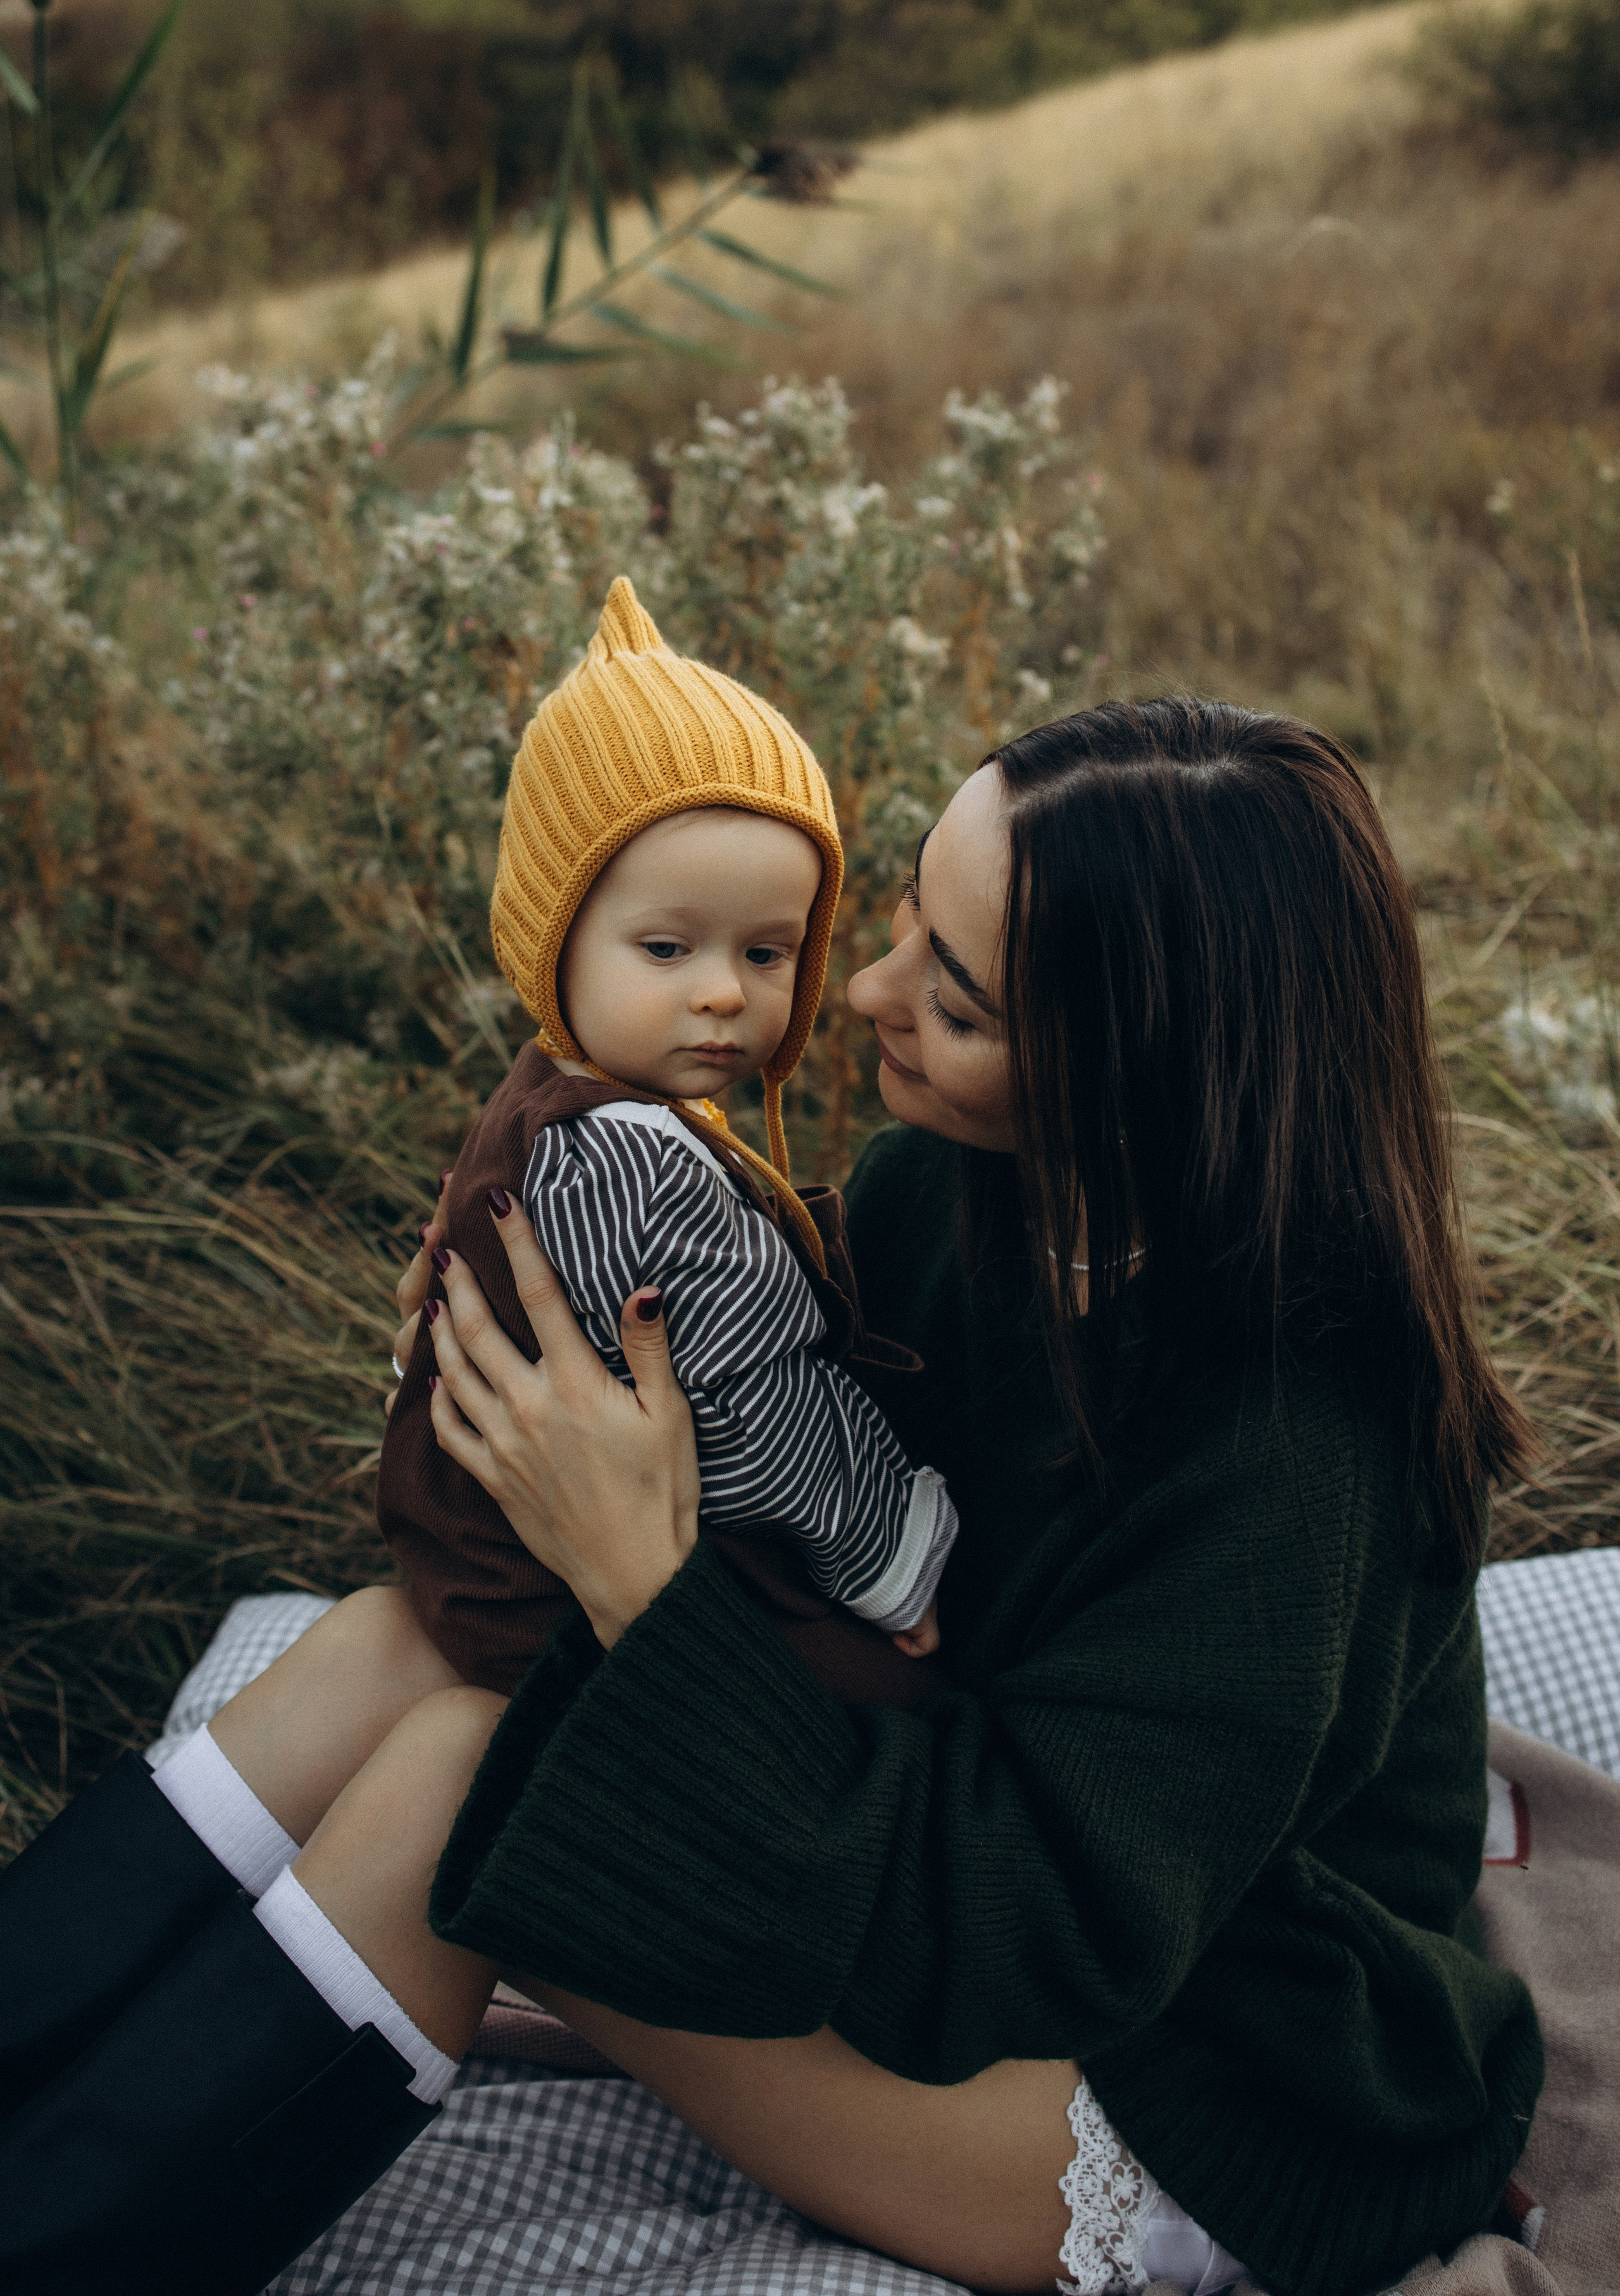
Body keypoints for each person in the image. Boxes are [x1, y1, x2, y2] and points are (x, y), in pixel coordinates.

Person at [0, 699, 1544, 2296]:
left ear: (1128, 1078)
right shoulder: (955, 1185)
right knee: (399, 1645)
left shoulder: (1295, 1446)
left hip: (1189, 2055)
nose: (861, 991)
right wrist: (548, 1363)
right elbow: (800, 1467)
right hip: (935, 1810)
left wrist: (641, 1590)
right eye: (898, 911)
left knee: (481, 1775)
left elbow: (1012, 1932)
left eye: (951, 995)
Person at [379, 574, 957, 1694]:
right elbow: (755, 1409)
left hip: (499, 1572)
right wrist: (897, 1560)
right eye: (666, 949)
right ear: (554, 939)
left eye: (766, 951)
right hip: (563, 1600)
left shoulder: (567, 1095)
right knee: (909, 1712)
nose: (724, 996)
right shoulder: (633, 1157)